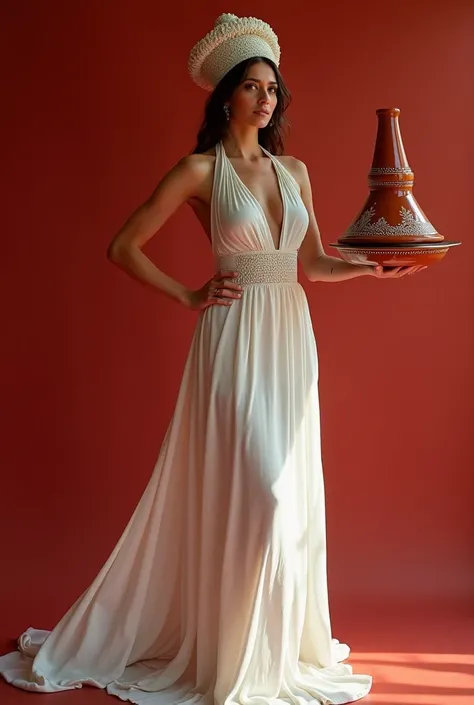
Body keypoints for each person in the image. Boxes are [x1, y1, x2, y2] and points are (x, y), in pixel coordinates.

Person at [0, 12, 425, 705]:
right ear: (226, 96)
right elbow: (122, 246)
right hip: (231, 338)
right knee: (260, 489)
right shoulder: (200, 170)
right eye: (254, 87)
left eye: (273, 90)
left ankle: (264, 644)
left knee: (288, 500)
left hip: (290, 336)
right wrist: (187, 293)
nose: (267, 100)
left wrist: (372, 269)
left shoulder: (296, 171)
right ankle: (229, 656)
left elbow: (312, 263)